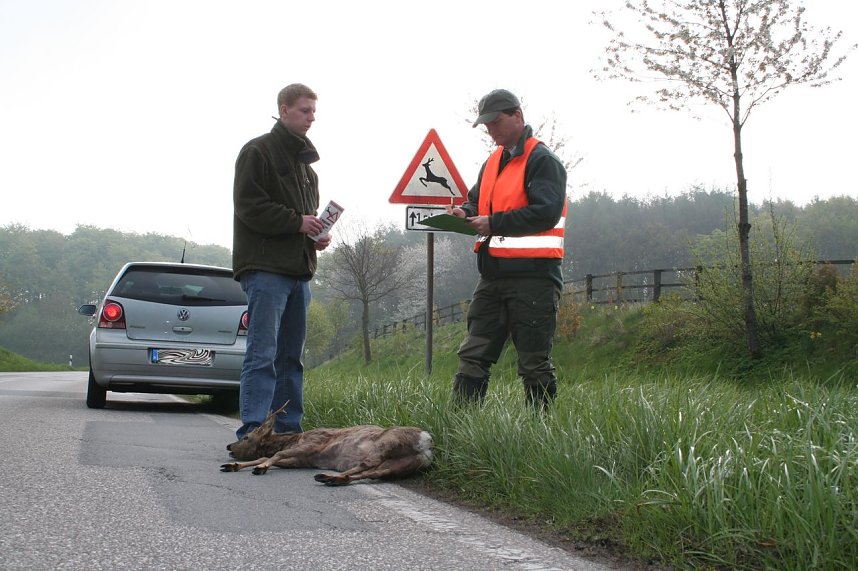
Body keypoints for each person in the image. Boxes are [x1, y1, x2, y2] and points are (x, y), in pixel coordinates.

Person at [447, 88, 568, 410]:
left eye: (495, 122)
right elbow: (477, 202)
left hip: (534, 279)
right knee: (473, 354)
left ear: (517, 115)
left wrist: (494, 223)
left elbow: (546, 213)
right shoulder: (492, 162)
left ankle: (541, 430)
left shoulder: (542, 160)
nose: (491, 130)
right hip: (492, 278)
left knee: (533, 362)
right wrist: (464, 212)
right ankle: (459, 425)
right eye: (486, 125)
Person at [230, 83, 331, 443]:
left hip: (299, 270)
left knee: (291, 358)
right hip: (265, 270)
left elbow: (304, 220)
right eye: (304, 110)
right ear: (284, 109)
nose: (311, 118)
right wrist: (297, 222)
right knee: (263, 354)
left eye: (313, 112)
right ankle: (253, 433)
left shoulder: (308, 170)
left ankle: (287, 433)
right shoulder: (257, 151)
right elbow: (249, 206)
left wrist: (316, 236)